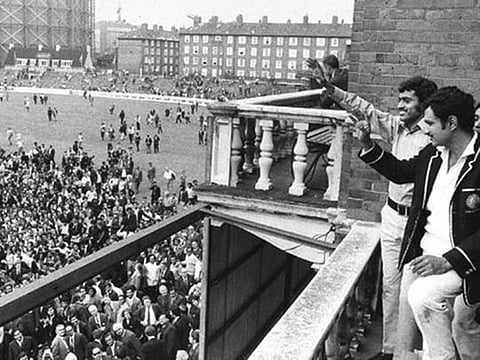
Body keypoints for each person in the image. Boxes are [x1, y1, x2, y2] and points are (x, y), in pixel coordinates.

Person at [307, 58, 439, 360]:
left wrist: (368, 144)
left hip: (418, 223)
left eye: (407, 101)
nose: (400, 105)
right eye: (399, 100)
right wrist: (334, 90)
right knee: (391, 285)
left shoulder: (432, 139)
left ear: (424, 104)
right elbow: (364, 108)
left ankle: (413, 349)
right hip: (392, 217)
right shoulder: (398, 129)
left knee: (414, 290)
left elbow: (403, 172)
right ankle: (391, 349)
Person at [357, 86, 480, 360]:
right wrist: (367, 145)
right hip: (422, 256)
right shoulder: (433, 155)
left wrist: (449, 260)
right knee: (411, 320)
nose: (424, 129)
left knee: (432, 303)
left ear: (451, 123)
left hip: (464, 264)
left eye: (430, 123)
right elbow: (400, 172)